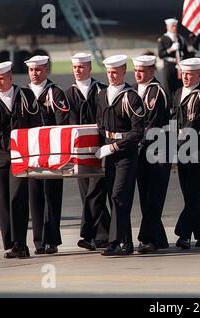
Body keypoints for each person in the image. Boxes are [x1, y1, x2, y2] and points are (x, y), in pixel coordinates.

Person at [0, 61, 40, 258]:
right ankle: (8, 244)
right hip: (0, 158)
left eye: (1, 79)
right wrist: (16, 146)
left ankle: (20, 244)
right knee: (3, 201)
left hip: (21, 157)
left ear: (10, 78)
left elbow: (34, 122)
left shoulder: (25, 95)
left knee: (19, 199)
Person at [95, 55, 145, 256]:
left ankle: (114, 242)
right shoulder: (102, 95)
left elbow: (137, 132)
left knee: (118, 195)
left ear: (124, 72)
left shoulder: (131, 97)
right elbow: (99, 123)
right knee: (115, 198)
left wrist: (115, 147)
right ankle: (127, 243)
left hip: (126, 153)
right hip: (108, 151)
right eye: (108, 72)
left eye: (115, 72)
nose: (111, 76)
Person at [25, 55, 70, 255]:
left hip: (52, 153)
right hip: (31, 154)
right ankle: (38, 241)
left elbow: (62, 123)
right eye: (31, 70)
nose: (35, 74)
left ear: (46, 70)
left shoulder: (55, 92)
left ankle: (51, 240)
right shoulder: (23, 93)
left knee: (51, 195)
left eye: (39, 70)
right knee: (34, 197)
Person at [65, 52, 111, 250]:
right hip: (80, 151)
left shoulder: (101, 90)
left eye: (82, 67)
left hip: (100, 149)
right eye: (75, 67)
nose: (78, 70)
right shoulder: (68, 94)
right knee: (88, 193)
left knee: (96, 191)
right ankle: (103, 235)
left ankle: (94, 234)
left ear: (89, 68)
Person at [172, 58, 200, 249]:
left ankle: (184, 234)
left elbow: (191, 127)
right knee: (190, 193)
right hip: (182, 148)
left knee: (195, 192)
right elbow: (174, 121)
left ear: (199, 75)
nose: (186, 77)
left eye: (190, 74)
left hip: (199, 151)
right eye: (184, 73)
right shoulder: (178, 93)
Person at [131, 55, 171, 254]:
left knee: (153, 195)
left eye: (142, 71)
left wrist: (132, 141)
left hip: (158, 149)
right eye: (136, 70)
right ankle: (159, 238)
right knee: (145, 195)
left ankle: (147, 239)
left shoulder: (156, 92)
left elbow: (151, 125)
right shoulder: (134, 90)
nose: (138, 74)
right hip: (142, 149)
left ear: (152, 72)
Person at [157, 18, 189, 104]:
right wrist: (170, 49)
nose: (174, 28)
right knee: (169, 87)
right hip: (169, 65)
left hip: (179, 66)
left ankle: (178, 107)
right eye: (172, 26)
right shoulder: (163, 39)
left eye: (175, 26)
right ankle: (170, 108)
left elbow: (186, 53)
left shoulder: (180, 38)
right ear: (167, 27)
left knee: (179, 87)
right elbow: (160, 54)